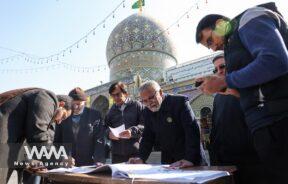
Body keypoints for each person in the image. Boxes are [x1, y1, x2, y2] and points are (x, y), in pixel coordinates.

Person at [195, 2, 288, 183]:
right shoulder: (233, 44)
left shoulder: (248, 19)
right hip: (267, 128)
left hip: (279, 121)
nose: (213, 48)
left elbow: (276, 60)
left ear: (221, 24)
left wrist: (226, 80)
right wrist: (230, 89)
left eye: (210, 41)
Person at [209, 54, 263, 184]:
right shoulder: (218, 97)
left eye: (222, 66)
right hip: (226, 162)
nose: (219, 71)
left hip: (251, 162)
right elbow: (216, 127)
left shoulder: (249, 87)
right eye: (215, 70)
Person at [0, 88, 72, 184]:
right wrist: (62, 158)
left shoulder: (51, 116)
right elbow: (38, 135)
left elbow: (45, 140)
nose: (60, 122)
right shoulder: (47, 97)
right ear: (61, 104)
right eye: (63, 116)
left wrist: (29, 161)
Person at [128, 80, 202, 168]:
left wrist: (190, 159)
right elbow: (148, 137)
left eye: (151, 98)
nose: (149, 103)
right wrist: (141, 158)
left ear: (160, 92)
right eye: (144, 101)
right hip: (168, 161)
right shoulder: (147, 111)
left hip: (189, 159)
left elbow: (192, 131)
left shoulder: (179, 102)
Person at [54, 87, 105, 166]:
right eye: (73, 104)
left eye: (78, 104)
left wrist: (99, 160)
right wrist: (62, 157)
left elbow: (99, 139)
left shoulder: (94, 115)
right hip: (67, 162)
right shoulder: (63, 115)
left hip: (88, 163)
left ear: (85, 102)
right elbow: (57, 141)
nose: (75, 107)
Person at [105, 82, 144, 163]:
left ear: (126, 93)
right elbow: (105, 127)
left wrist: (132, 131)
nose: (115, 98)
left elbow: (145, 125)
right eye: (113, 95)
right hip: (117, 154)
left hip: (135, 152)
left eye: (118, 94)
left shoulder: (137, 106)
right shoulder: (111, 111)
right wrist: (109, 134)